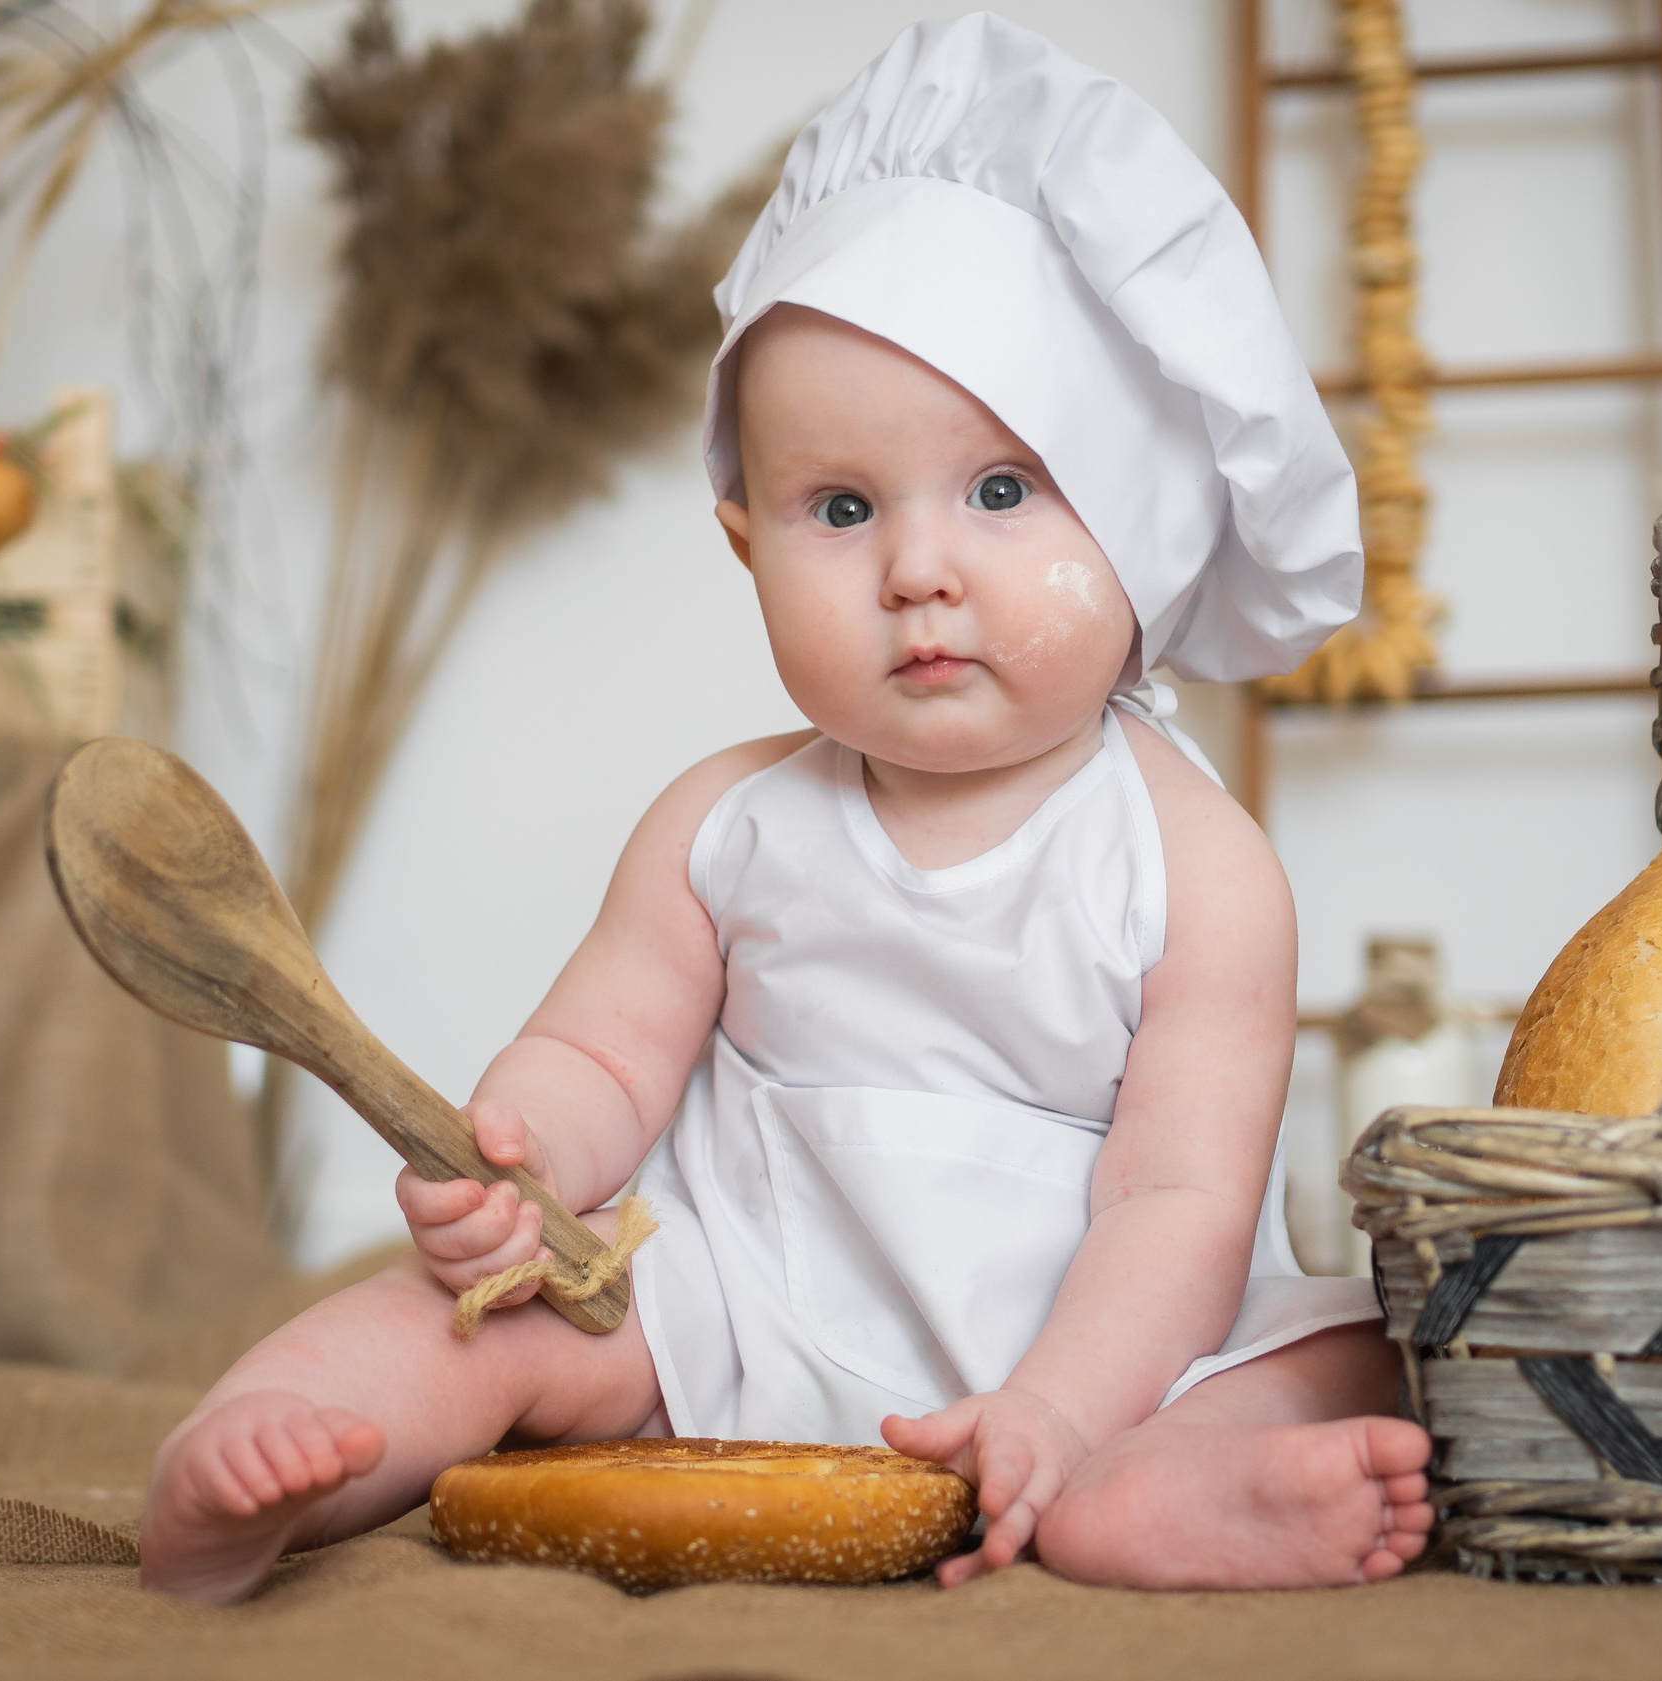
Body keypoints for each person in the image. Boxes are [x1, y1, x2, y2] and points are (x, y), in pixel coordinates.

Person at [139, 13, 1432, 1605]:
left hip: (1093, 1340)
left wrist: (1058, 1404)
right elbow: (603, 1050)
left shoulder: (1196, 866)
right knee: (460, 1314)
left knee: (1368, 1340)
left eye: (1004, 490)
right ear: (745, 542)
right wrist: (520, 1155)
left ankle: (1121, 1485)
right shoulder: (724, 824)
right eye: (840, 506)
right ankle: (277, 1447)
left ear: (1148, 525)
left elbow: (1180, 1197)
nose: (918, 567)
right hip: (732, 1316)